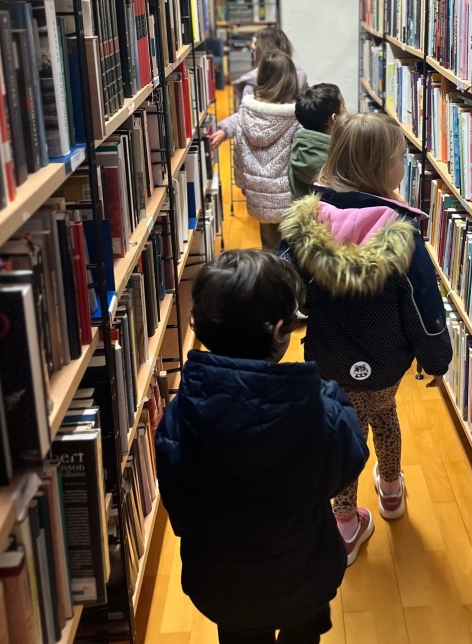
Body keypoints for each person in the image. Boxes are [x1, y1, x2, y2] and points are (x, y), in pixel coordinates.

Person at [155, 250, 369, 644]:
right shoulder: (313, 407)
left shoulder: (179, 414)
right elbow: (349, 459)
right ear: (279, 331)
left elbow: (181, 510)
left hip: (223, 586)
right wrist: (330, 395)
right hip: (304, 576)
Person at [279, 112, 453, 563]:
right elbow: (424, 306)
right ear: (383, 168)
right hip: (386, 361)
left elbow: (281, 283)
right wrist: (436, 360)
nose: (402, 167)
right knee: (384, 416)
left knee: (343, 433)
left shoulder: (306, 224)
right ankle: (391, 490)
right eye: (399, 159)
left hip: (329, 359)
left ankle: (345, 525)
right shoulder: (401, 234)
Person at [234, 50, 301, 251]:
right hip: (288, 196)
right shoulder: (296, 116)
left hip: (258, 192)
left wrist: (242, 183)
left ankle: (270, 269)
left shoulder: (246, 111)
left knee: (269, 246)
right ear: (291, 78)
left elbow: (238, 150)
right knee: (293, 249)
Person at [211, 28, 307, 147]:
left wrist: (225, 129)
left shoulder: (252, 84)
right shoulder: (299, 78)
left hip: (255, 148)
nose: (252, 50)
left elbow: (244, 116)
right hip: (290, 145)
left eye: (254, 47)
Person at [288, 83, 345, 201]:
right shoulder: (338, 159)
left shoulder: (298, 147)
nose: (347, 113)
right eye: (344, 106)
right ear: (334, 119)